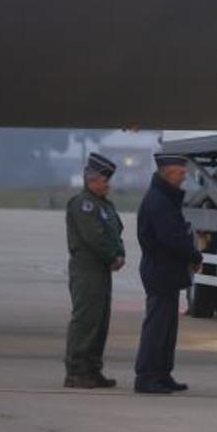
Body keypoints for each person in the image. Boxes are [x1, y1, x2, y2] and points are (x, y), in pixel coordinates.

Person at [134, 151, 203, 394]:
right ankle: (147, 376)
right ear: (168, 173)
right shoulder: (159, 201)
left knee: (166, 327)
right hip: (160, 269)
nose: (184, 178)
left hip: (166, 270)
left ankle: (162, 373)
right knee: (157, 326)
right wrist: (194, 255)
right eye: (181, 173)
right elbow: (171, 237)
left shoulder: (163, 198)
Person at [63, 152, 125, 389]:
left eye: (107, 181)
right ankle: (76, 371)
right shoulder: (83, 204)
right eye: (103, 181)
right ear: (90, 180)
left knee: (100, 320)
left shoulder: (104, 205)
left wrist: (120, 254)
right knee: (86, 320)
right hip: (87, 268)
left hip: (102, 269)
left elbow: (115, 231)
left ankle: (93, 369)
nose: (107, 185)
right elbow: (94, 237)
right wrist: (113, 255)